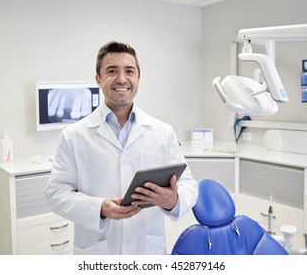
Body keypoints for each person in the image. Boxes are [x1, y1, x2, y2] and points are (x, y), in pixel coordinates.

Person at [44, 41, 198, 255]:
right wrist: (100, 208)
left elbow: (188, 184)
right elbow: (55, 193)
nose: (122, 78)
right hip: (98, 251)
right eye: (112, 71)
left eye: (129, 71)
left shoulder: (162, 132)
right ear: (98, 79)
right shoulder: (73, 136)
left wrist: (174, 200)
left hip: (147, 250)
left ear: (138, 78)